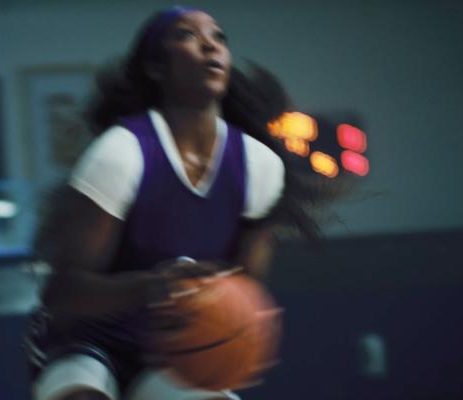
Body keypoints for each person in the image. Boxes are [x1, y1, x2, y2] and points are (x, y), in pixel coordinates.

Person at [25, 6, 335, 400]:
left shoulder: (260, 166)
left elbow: (244, 290)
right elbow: (63, 295)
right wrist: (152, 287)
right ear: (157, 68)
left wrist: (243, 330)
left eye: (219, 37)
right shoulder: (121, 153)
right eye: (188, 35)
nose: (210, 45)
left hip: (174, 347)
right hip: (85, 339)